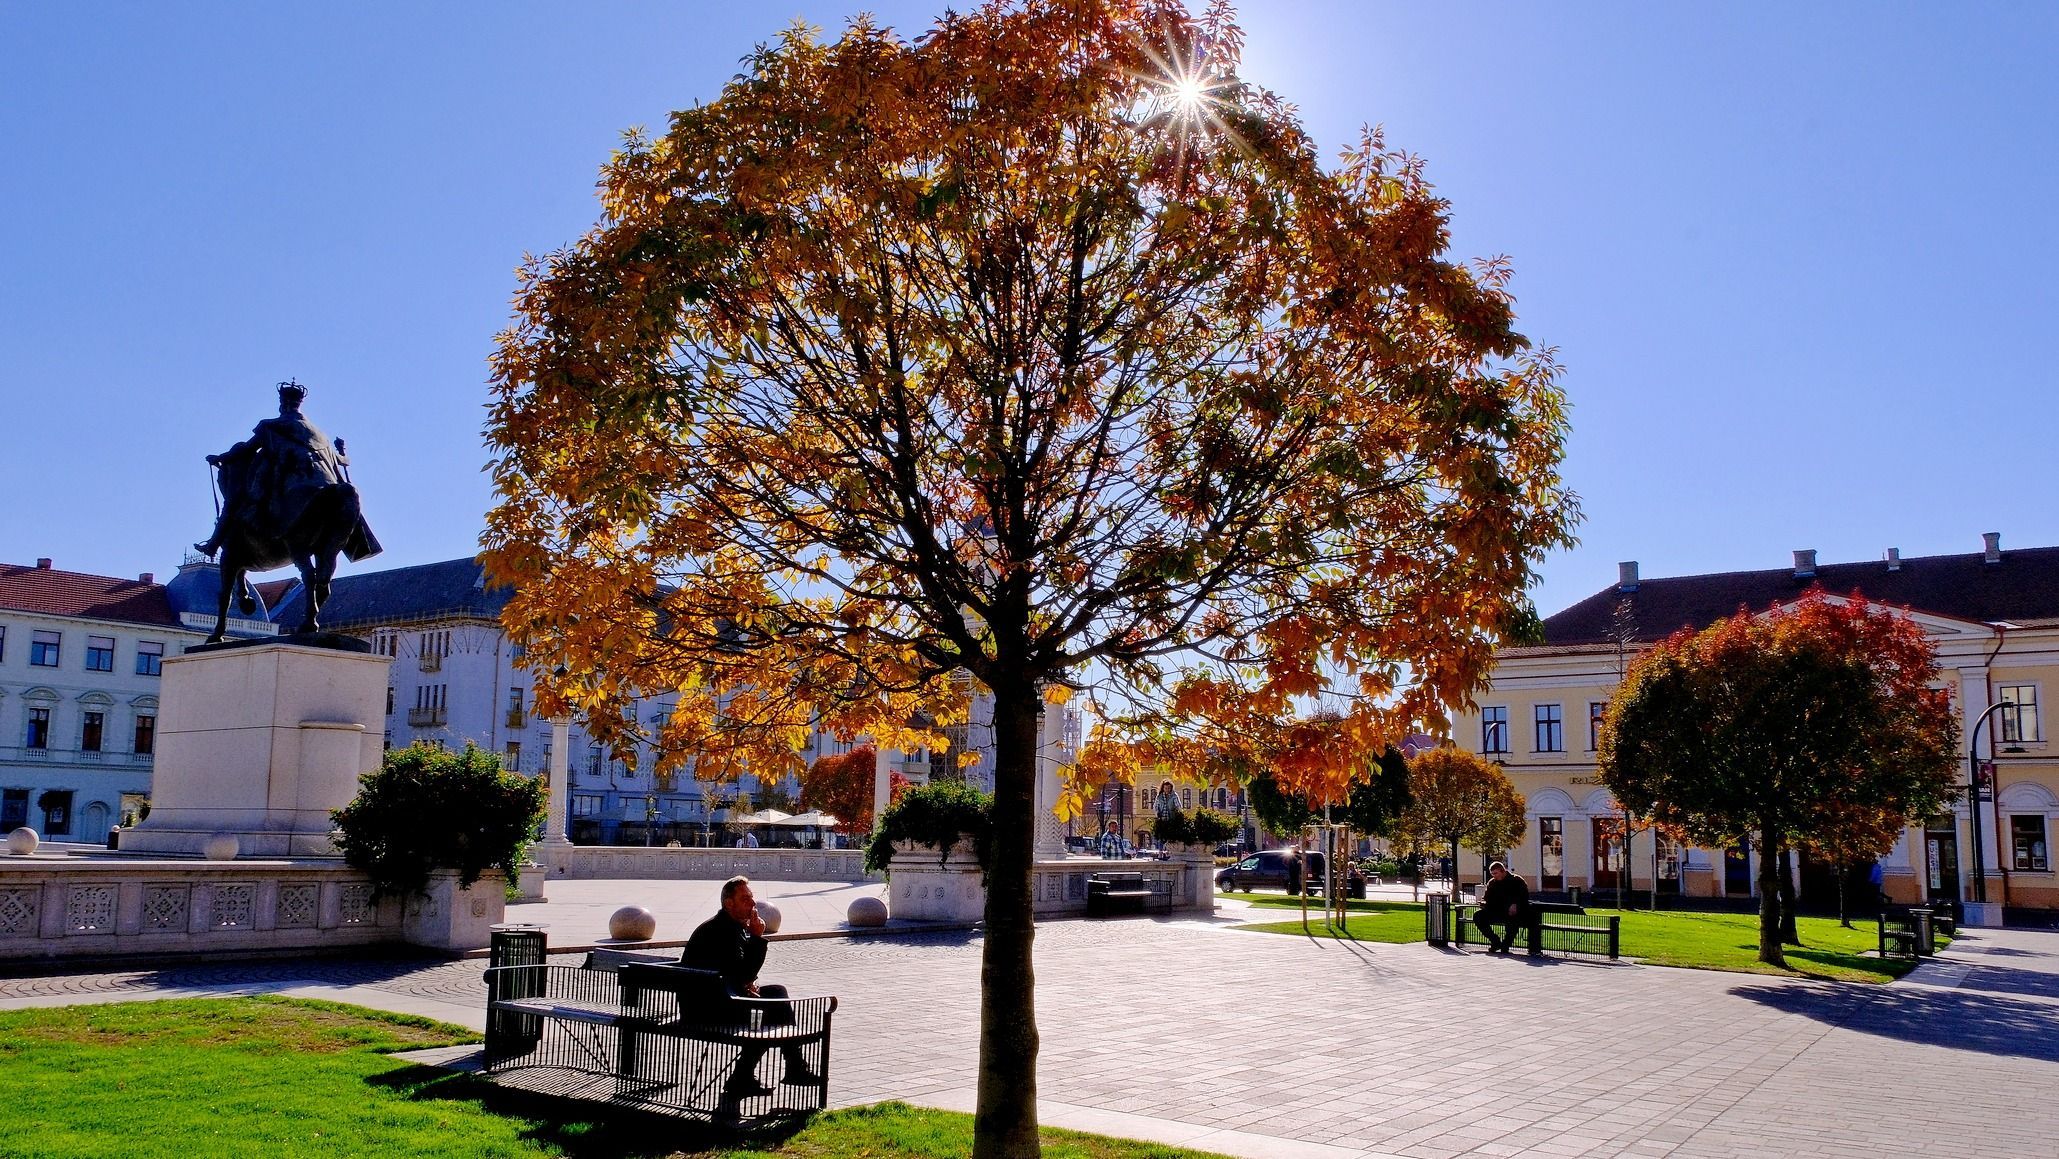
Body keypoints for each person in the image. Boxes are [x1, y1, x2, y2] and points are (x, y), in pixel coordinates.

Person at [683, 876, 822, 1105]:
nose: (752, 904)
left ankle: (763, 1072)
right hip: (710, 1010)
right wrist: (757, 938)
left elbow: (736, 972)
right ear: (729, 903)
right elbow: (743, 974)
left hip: (711, 1000)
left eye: (752, 897)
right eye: (745, 899)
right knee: (769, 1011)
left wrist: (745, 983)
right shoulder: (724, 930)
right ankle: (779, 1069)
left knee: (776, 994)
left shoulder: (727, 926)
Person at [195, 380, 352, 557]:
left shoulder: (271, 426)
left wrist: (219, 458)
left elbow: (247, 449)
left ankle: (213, 544)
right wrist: (341, 450)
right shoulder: (319, 434)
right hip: (329, 484)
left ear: (283, 404)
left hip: (292, 480)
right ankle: (357, 540)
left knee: (234, 503)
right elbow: (344, 461)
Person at [1473, 861, 1531, 954]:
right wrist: (1484, 902)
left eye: (1495, 873)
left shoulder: (1516, 880)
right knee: (1478, 916)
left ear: (1503, 871)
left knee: (1512, 920)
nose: (1494, 876)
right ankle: (1495, 941)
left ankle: (1506, 945)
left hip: (1514, 912)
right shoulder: (1492, 882)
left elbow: (1524, 896)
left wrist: (1515, 904)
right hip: (1496, 911)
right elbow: (1487, 897)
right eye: (1492, 874)